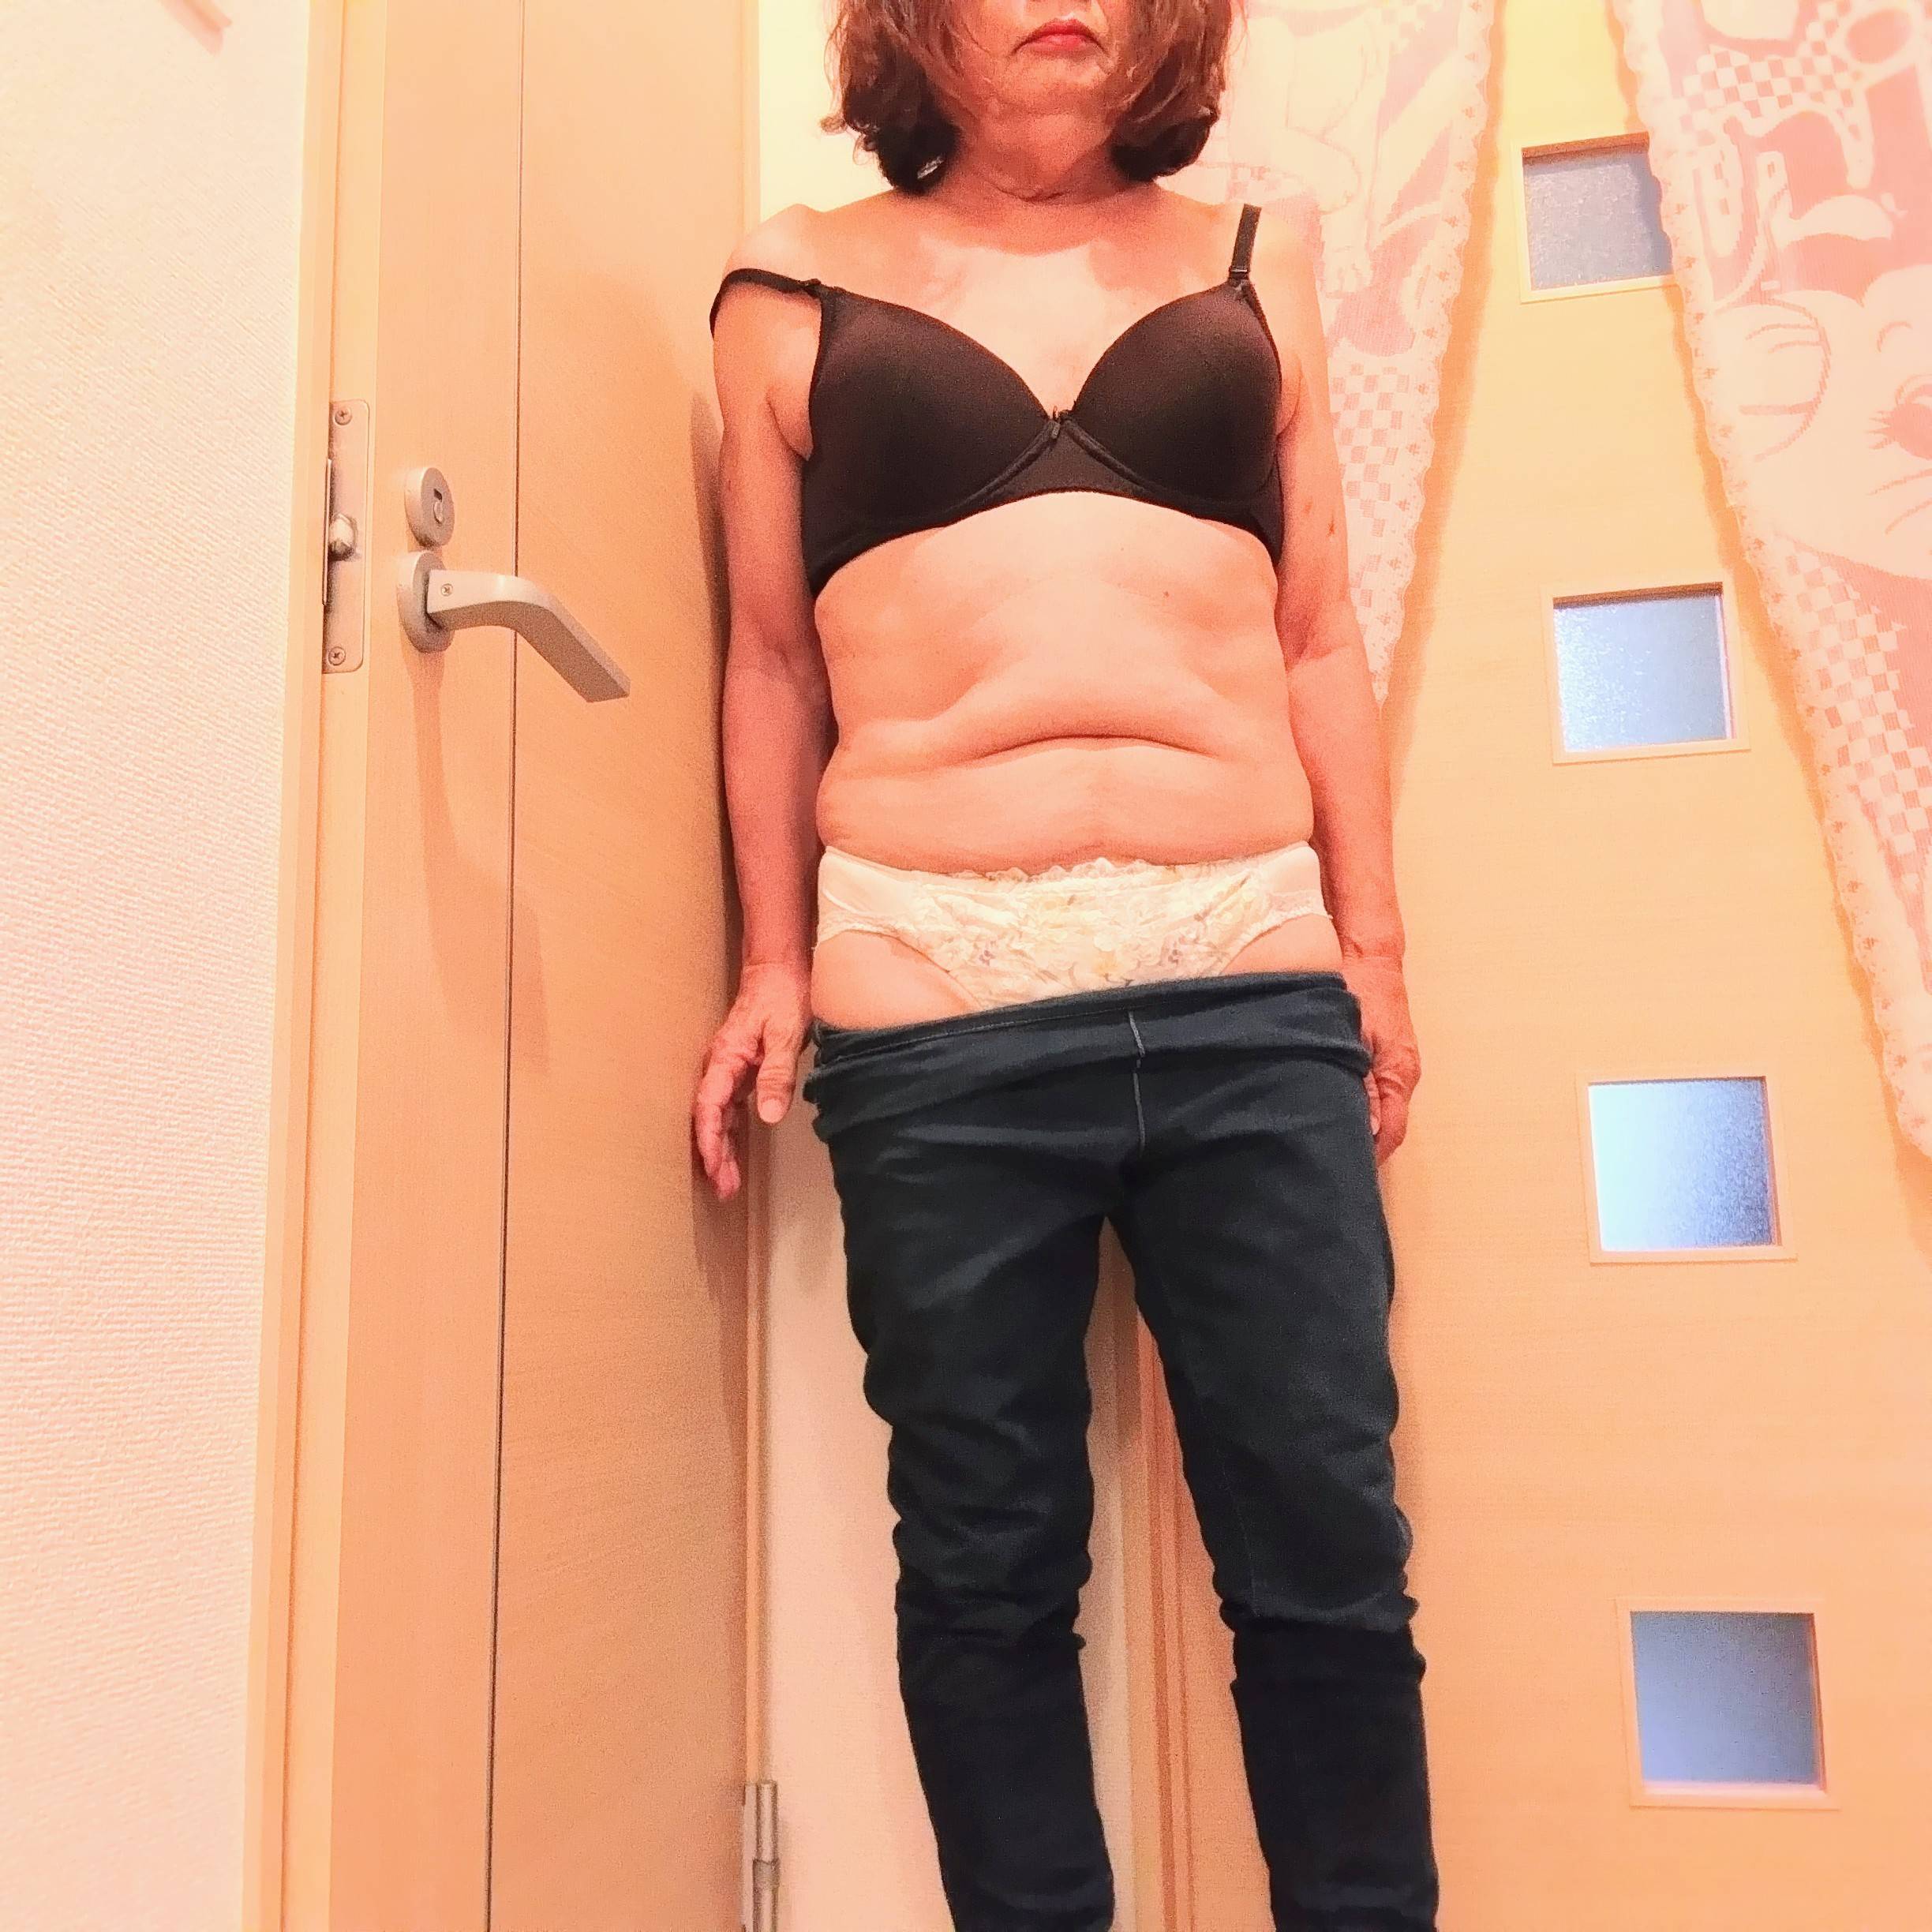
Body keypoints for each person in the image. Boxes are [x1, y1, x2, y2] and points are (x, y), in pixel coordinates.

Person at [693, 1, 1438, 1925]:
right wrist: (770, 954)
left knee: (1326, 1548)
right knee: (989, 1564)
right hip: (935, 984)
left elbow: (1319, 636)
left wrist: (1374, 943)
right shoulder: (787, 287)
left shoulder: (1257, 264)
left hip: (1245, 959)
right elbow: (768, 656)